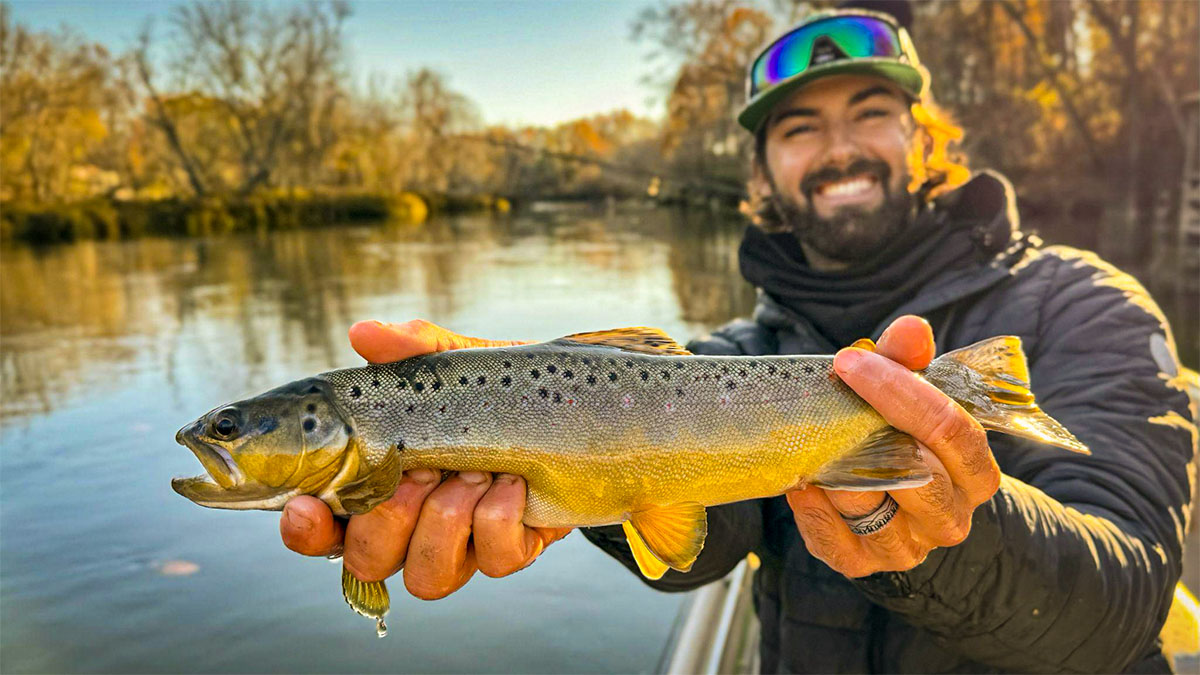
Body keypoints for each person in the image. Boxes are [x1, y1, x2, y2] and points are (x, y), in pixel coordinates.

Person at [279, 4, 1196, 672]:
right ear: (760, 172)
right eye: (800, 128)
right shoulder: (731, 351)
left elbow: (1126, 601)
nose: (838, 147)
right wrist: (545, 465)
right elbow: (698, 541)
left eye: (869, 113)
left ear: (925, 137)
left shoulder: (1085, 302)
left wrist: (946, 531)